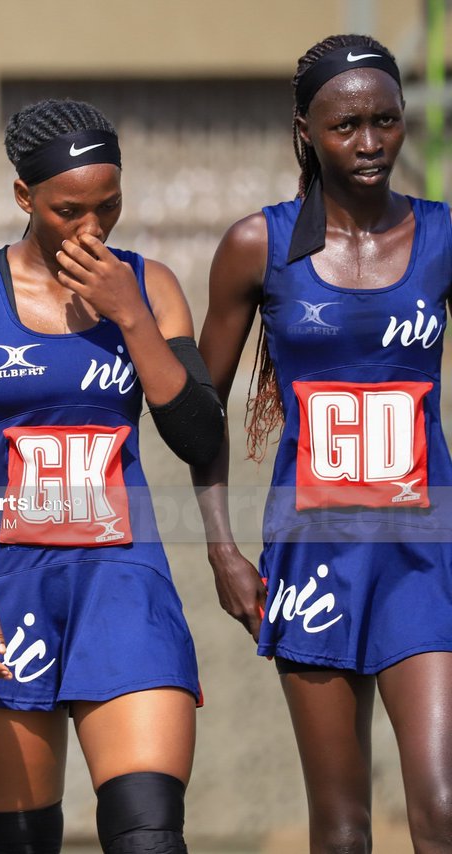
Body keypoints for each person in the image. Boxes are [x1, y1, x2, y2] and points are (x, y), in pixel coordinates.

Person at [0, 98, 224, 854]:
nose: (92, 228)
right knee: (21, 842)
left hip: (122, 582)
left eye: (109, 206)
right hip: (7, 583)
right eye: (68, 210)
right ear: (24, 198)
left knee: (149, 834)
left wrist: (131, 316)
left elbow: (198, 435)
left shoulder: (150, 286)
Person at [194, 33, 452, 853]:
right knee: (341, 829)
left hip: (424, 554)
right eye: (347, 126)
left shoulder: (443, 236)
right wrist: (222, 549)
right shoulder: (256, 247)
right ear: (305, 130)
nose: (370, 143)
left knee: (443, 803)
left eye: (386, 121)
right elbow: (203, 410)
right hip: (314, 554)